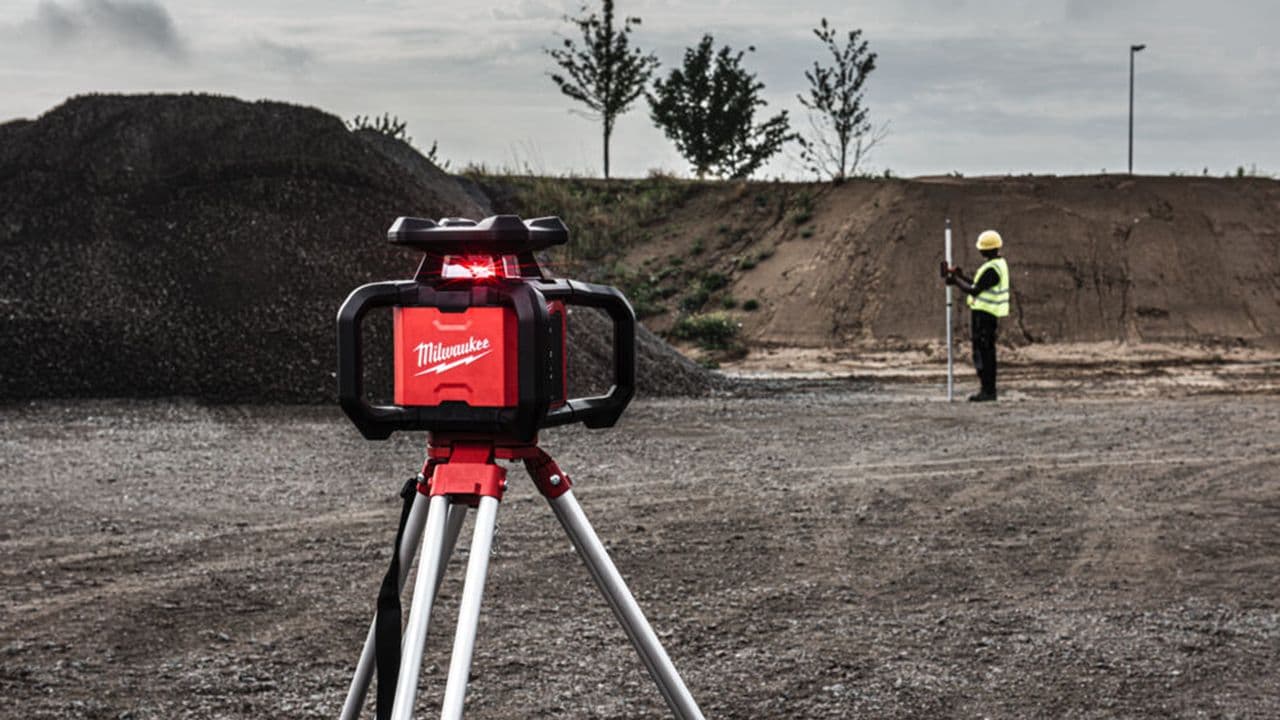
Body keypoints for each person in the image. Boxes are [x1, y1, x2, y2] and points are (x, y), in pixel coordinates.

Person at [940, 230, 1009, 401]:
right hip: (984, 314)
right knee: (983, 352)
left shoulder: (993, 269)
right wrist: (960, 276)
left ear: (987, 249)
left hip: (986, 315)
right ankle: (987, 390)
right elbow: (977, 285)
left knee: (984, 353)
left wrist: (955, 281)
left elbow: (975, 290)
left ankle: (988, 391)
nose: (980, 251)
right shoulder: (995, 265)